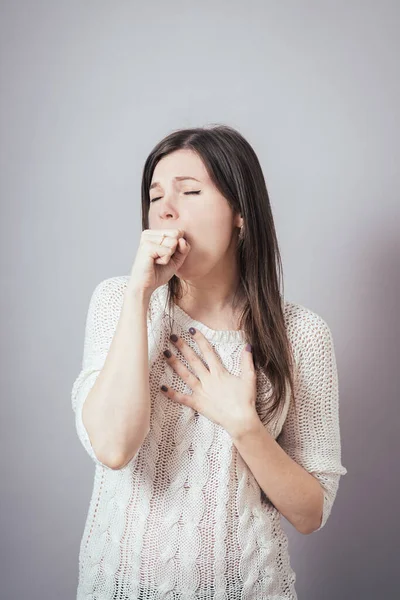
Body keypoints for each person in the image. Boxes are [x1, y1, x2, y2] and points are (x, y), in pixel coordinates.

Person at [71, 124, 347, 600]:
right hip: (117, 587)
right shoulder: (118, 300)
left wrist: (244, 425)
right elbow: (113, 448)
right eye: (156, 197)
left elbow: (310, 513)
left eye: (191, 191)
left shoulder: (302, 335)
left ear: (240, 213)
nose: (167, 209)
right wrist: (140, 295)